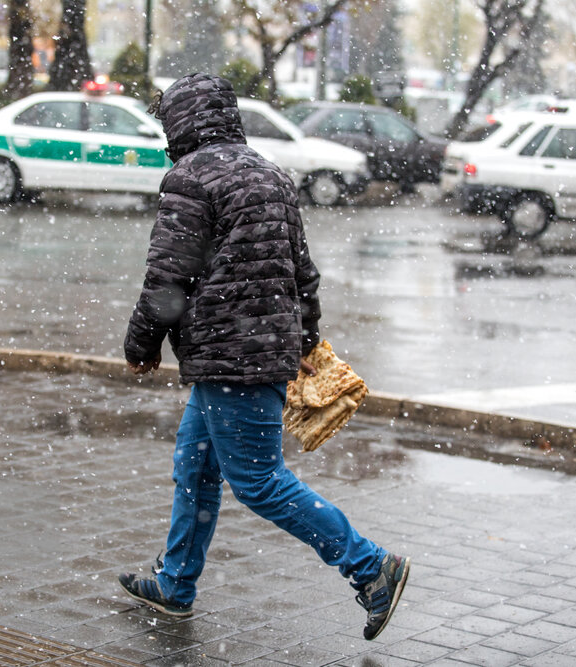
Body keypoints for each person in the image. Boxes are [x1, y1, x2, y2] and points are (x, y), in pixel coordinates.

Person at [119, 72, 409, 641]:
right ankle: (175, 584)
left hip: (230, 356)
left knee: (259, 482)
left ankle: (372, 568)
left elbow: (167, 278)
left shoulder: (190, 177)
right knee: (196, 468)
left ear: (180, 123)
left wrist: (141, 343)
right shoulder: (271, 174)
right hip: (256, 351)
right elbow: (302, 272)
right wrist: (303, 340)